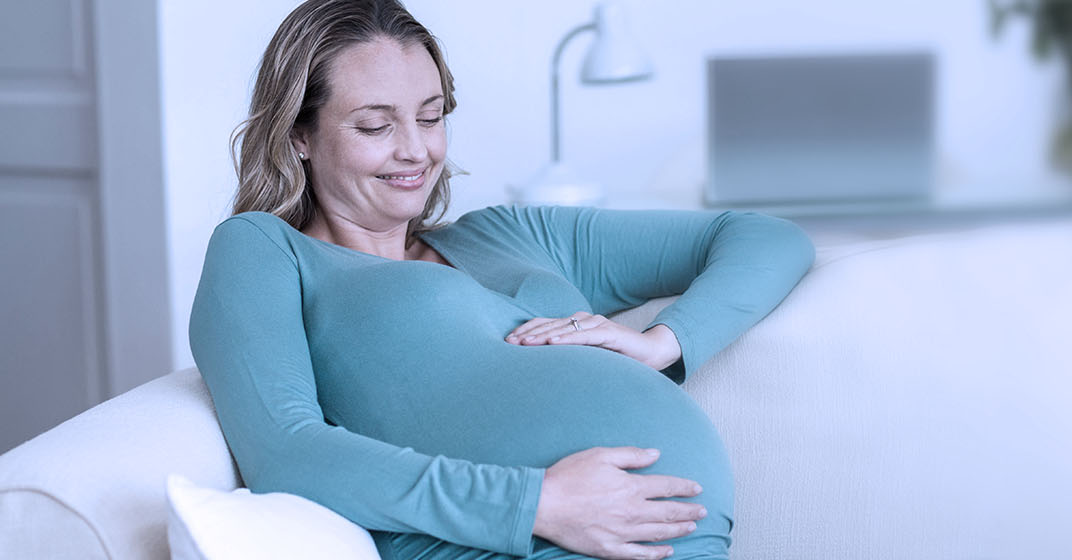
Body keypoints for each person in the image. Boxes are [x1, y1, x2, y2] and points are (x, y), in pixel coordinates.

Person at [186, 1, 813, 559]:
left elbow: (767, 238)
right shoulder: (265, 249)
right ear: (299, 135)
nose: (415, 151)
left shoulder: (507, 234)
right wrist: (534, 503)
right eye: (376, 126)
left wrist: (664, 341)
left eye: (430, 118)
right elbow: (286, 454)